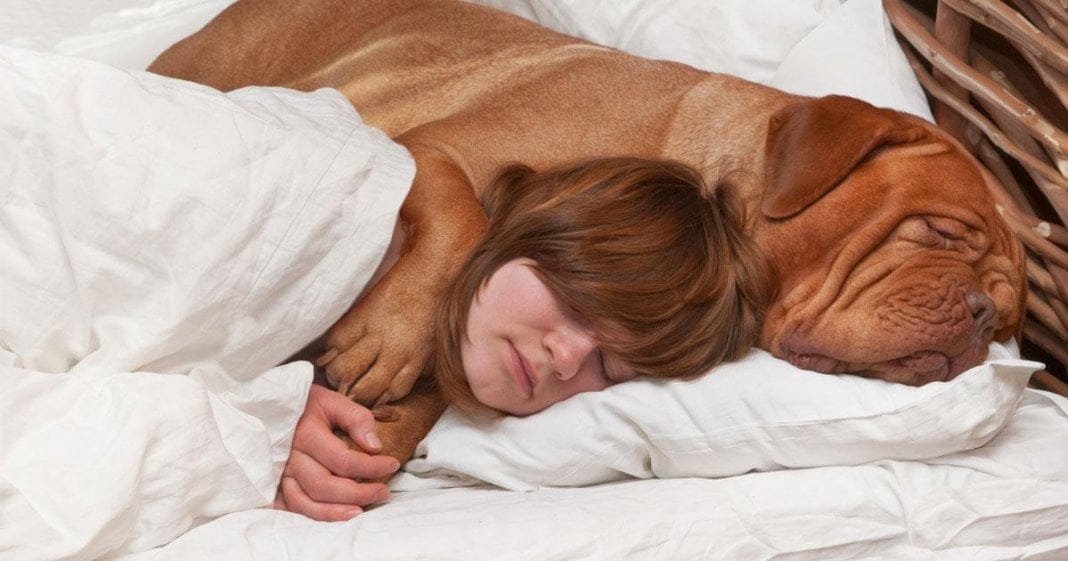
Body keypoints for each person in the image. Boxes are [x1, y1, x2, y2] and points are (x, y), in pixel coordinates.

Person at [275, 156, 775, 521]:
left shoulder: (469, 350)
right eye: (577, 304)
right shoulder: (351, 216)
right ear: (534, 226)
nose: (567, 359)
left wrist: (281, 407)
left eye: (609, 369)